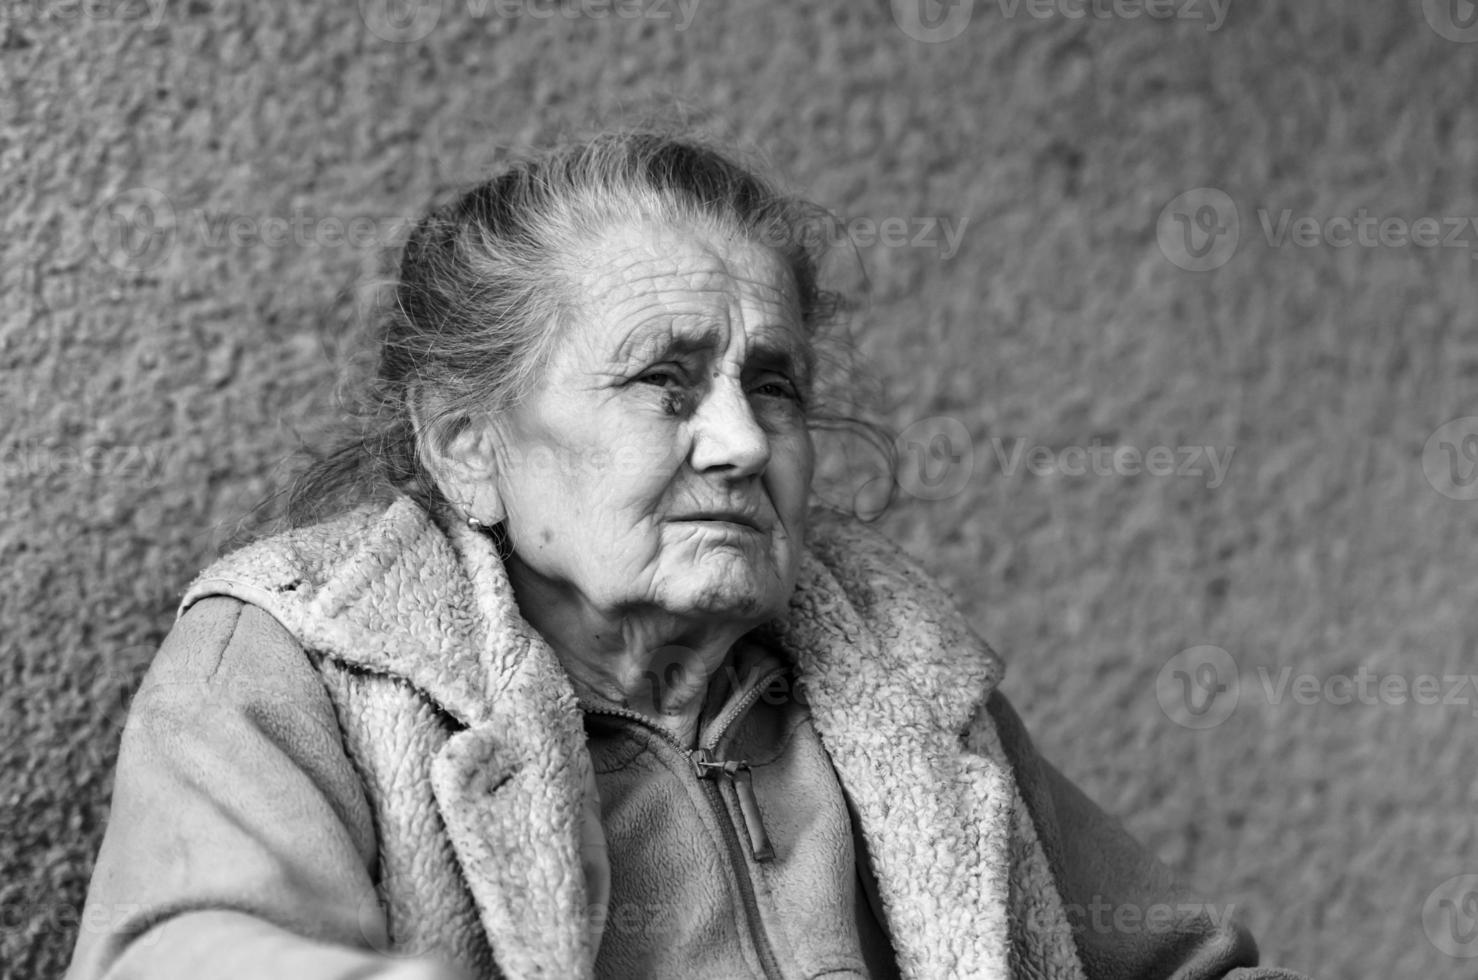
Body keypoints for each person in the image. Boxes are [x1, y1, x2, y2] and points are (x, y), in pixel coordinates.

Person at [66, 131, 1309, 980]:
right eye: (663, 380)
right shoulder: (300, 653)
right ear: (466, 448)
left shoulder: (894, 670)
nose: (736, 439)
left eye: (772, 387)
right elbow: (190, 949)